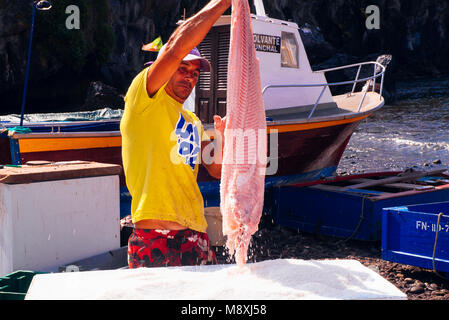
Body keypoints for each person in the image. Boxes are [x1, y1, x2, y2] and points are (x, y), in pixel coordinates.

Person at [120, 0, 231, 268]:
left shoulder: (192, 119)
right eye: (183, 69)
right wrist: (223, 3)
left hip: (195, 233)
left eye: (195, 74)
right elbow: (174, 48)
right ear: (166, 69)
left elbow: (215, 170)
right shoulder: (144, 98)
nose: (190, 78)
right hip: (155, 234)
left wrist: (223, 136)